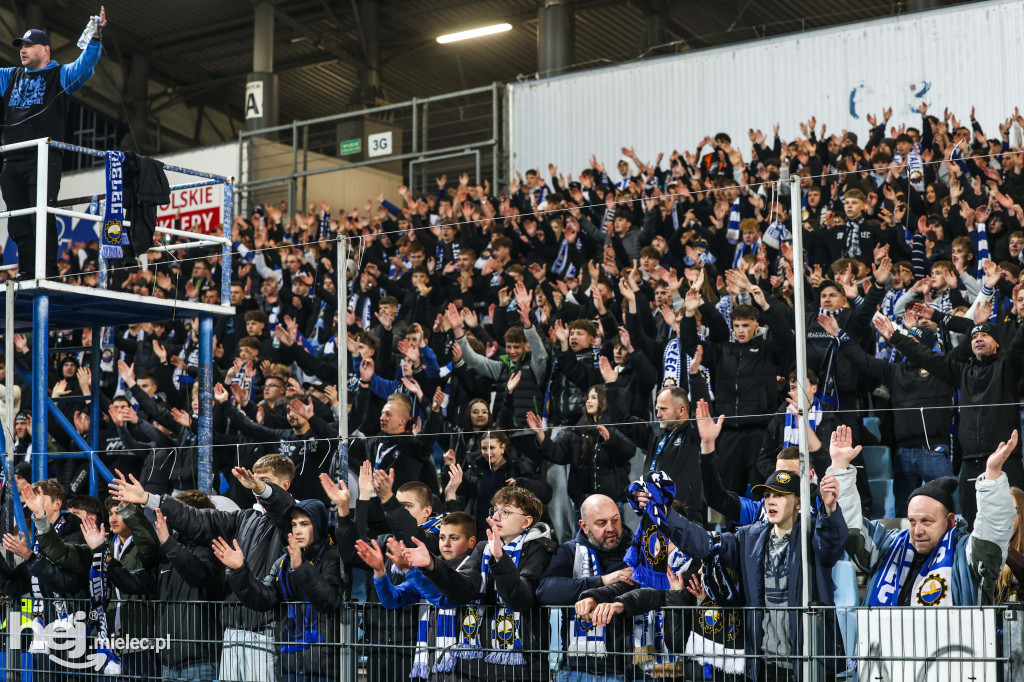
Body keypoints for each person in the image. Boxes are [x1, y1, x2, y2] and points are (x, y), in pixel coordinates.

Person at [110, 454, 296, 682]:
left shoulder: (293, 519)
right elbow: (196, 518)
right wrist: (150, 499)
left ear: (284, 485)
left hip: (266, 633)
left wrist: (263, 490)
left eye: (264, 480)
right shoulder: (244, 518)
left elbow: (283, 508)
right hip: (232, 633)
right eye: (255, 479)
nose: (254, 484)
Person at [658, 465, 847, 681]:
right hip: (762, 664)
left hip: (808, 663)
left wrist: (830, 509)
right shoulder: (748, 538)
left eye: (780, 495)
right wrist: (667, 515)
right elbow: (704, 542)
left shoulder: (812, 535)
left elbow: (832, 544)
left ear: (798, 502)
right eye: (767, 495)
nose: (771, 501)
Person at [828, 425, 1017, 606]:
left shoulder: (967, 555)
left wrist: (992, 475)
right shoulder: (887, 547)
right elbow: (851, 529)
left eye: (927, 521)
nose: (917, 530)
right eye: (912, 521)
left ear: (951, 520)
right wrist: (840, 467)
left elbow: (993, 531)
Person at [875, 316, 1024, 524]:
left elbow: (1019, 344)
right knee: (971, 524)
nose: (979, 339)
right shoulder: (962, 372)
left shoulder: (1009, 367)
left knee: (1014, 524)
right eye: (975, 336)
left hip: (1006, 460)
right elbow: (926, 357)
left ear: (997, 343)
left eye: (985, 335)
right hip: (972, 462)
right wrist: (896, 337)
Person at [404, 486, 558, 681]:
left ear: (526, 522)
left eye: (506, 512)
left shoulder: (542, 549)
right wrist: (433, 565)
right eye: (495, 510)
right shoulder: (483, 548)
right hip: (475, 665)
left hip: (522, 666)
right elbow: (463, 591)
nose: (497, 517)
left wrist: (500, 559)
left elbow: (521, 599)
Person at [0, 8, 106, 278]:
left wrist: (95, 37)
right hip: (11, 159)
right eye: (20, 46)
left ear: (46, 50)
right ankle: (26, 271)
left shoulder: (59, 75)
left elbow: (85, 67)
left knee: (41, 215)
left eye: (28, 45)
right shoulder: (10, 76)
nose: (22, 50)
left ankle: (45, 271)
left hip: (44, 158)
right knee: (18, 221)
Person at [214, 498, 344, 682]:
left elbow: (328, 601)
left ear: (319, 525)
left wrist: (300, 567)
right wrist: (240, 571)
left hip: (324, 667)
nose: (297, 530)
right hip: (289, 664)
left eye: (304, 524)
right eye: (294, 524)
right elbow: (264, 599)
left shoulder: (333, 558)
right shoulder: (283, 562)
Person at [537, 494, 635, 682]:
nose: (611, 528)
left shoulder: (636, 553)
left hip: (625, 669)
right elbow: (545, 590)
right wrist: (602, 581)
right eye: (601, 523)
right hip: (575, 669)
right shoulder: (569, 551)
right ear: (584, 526)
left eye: (615, 520)